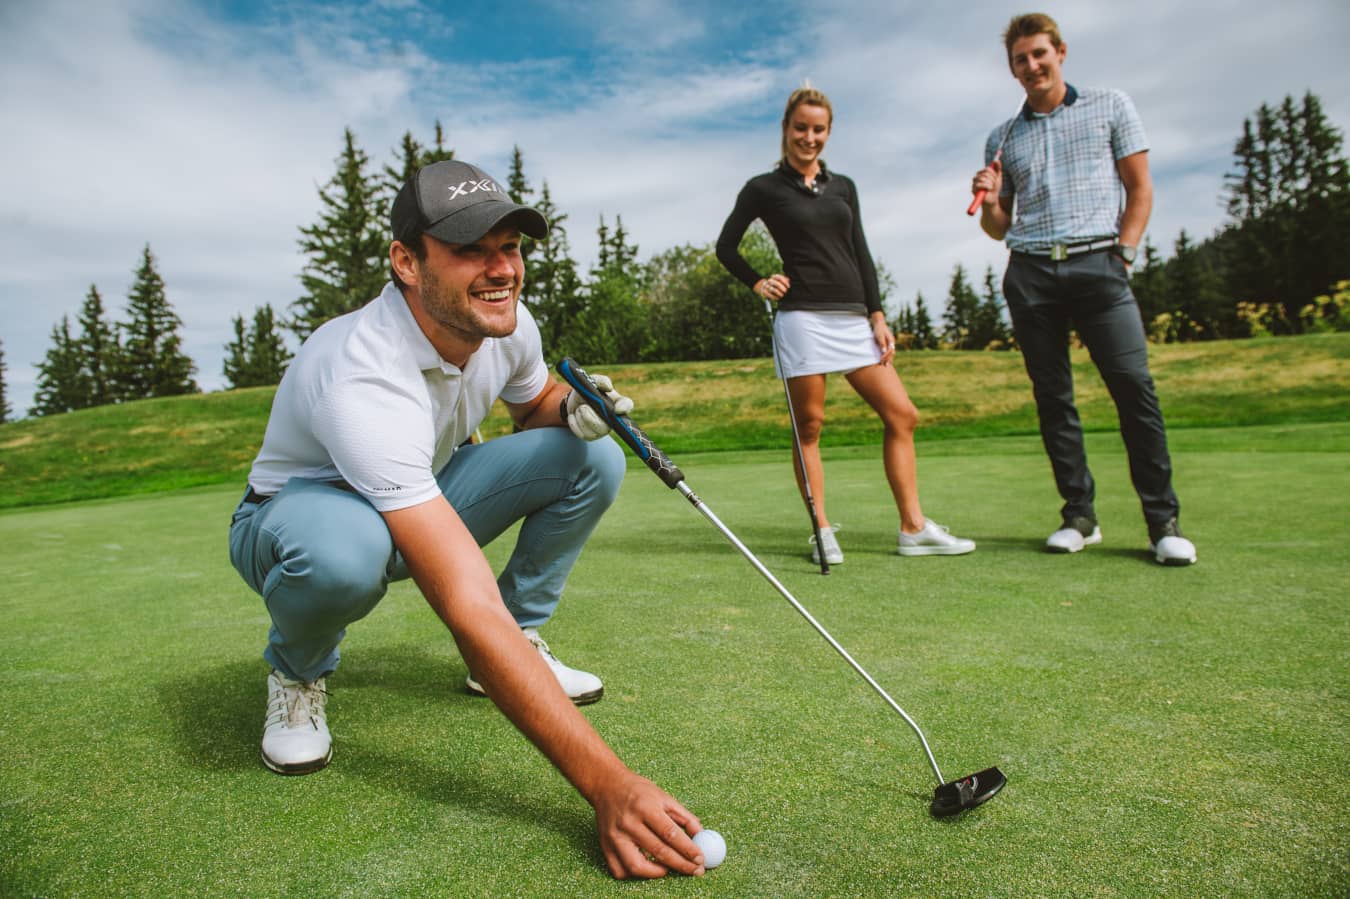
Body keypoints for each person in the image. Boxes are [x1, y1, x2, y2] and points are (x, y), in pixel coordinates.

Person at [228, 159, 709, 879]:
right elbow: (465, 604)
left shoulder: (503, 321)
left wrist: (572, 411)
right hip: (298, 516)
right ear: (406, 262)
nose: (500, 269)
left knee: (592, 459)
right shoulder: (362, 371)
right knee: (346, 555)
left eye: (510, 246)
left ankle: (524, 641)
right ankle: (296, 675)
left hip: (418, 484)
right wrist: (607, 782)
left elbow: (533, 399)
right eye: (469, 248)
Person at [969, 13, 1197, 566]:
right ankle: (1079, 515)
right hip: (1030, 272)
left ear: (1060, 52)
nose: (1031, 66)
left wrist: (1125, 251)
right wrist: (991, 198)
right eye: (1020, 60)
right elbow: (997, 226)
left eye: (1039, 54)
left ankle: (1161, 522)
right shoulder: (1003, 137)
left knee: (1133, 389)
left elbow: (1139, 189)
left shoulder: (1110, 105)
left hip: (1100, 266)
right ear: (1012, 69)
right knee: (1054, 399)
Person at [716, 84, 975, 565]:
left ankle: (913, 528)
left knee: (903, 414)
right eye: (800, 128)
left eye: (818, 129)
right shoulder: (763, 189)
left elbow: (861, 251)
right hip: (801, 320)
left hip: (854, 319)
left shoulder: (844, 187)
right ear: (786, 129)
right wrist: (757, 282)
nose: (808, 137)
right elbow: (725, 247)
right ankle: (821, 529)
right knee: (809, 426)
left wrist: (877, 315)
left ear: (828, 133)